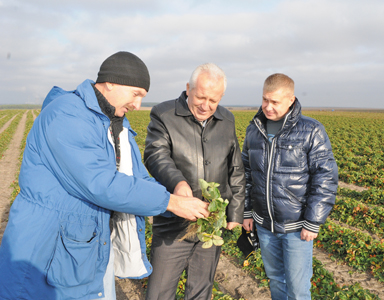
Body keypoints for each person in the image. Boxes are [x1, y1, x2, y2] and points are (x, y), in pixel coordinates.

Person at [0, 51, 210, 300]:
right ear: (111, 82)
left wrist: (174, 197)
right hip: (49, 250)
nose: (138, 105)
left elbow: (136, 178)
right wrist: (171, 203)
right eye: (136, 94)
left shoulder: (115, 123)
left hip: (88, 247)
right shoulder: (67, 115)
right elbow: (101, 184)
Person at [143, 63, 246, 300]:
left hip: (211, 221)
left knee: (201, 290)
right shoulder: (164, 114)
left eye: (213, 100)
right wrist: (178, 183)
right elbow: (155, 154)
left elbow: (236, 168)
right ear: (188, 88)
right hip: (173, 223)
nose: (206, 105)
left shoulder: (227, 120)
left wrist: (236, 213)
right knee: (160, 291)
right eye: (200, 97)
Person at [241, 73, 338, 300]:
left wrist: (313, 222)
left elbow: (325, 177)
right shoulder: (254, 130)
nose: (268, 107)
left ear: (291, 100)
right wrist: (246, 211)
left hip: (296, 228)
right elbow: (245, 173)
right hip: (264, 226)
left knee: (297, 288)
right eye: (265, 100)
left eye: (275, 102)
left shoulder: (311, 130)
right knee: (276, 280)